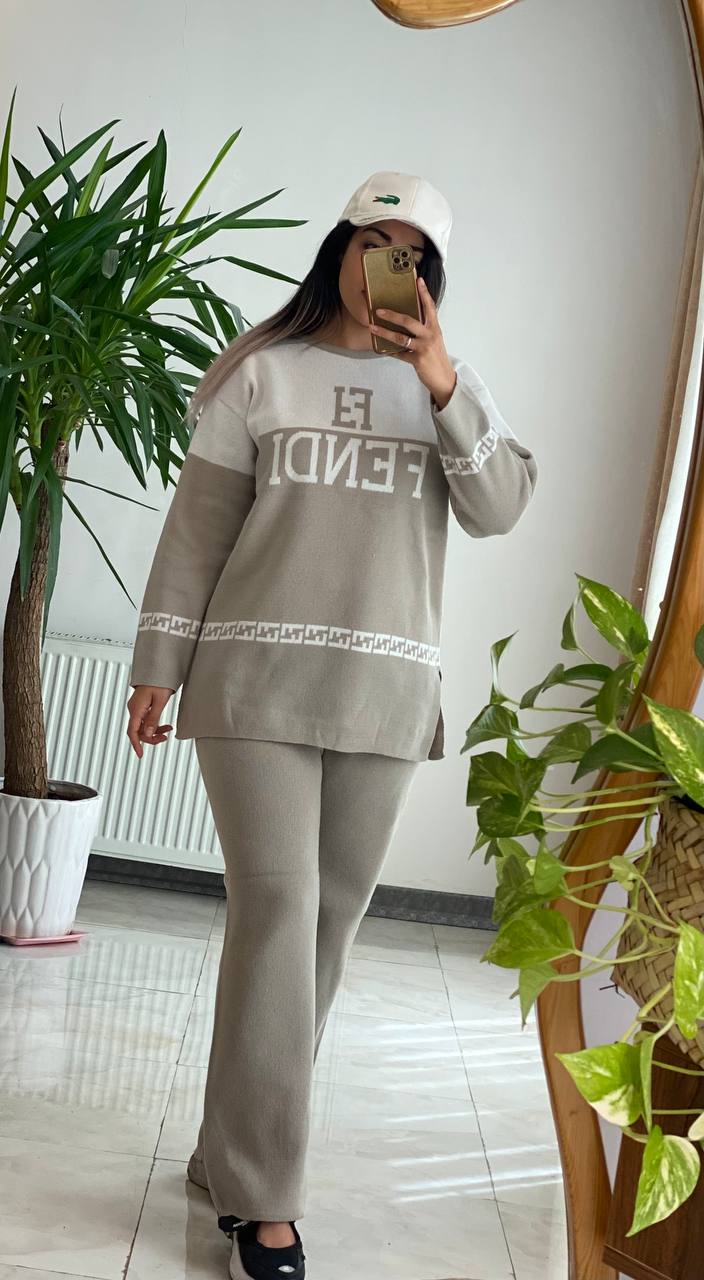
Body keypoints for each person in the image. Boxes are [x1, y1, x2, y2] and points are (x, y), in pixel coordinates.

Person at [125, 170, 538, 1280]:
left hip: (381, 692)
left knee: (324, 928)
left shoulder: (447, 388)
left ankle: (229, 1150)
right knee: (277, 912)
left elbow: (501, 507)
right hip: (252, 679)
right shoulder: (260, 372)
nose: (387, 266)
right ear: (339, 250)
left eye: (412, 254)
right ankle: (266, 1204)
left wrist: (441, 380)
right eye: (373, 242)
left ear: (430, 278)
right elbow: (197, 534)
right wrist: (158, 665)